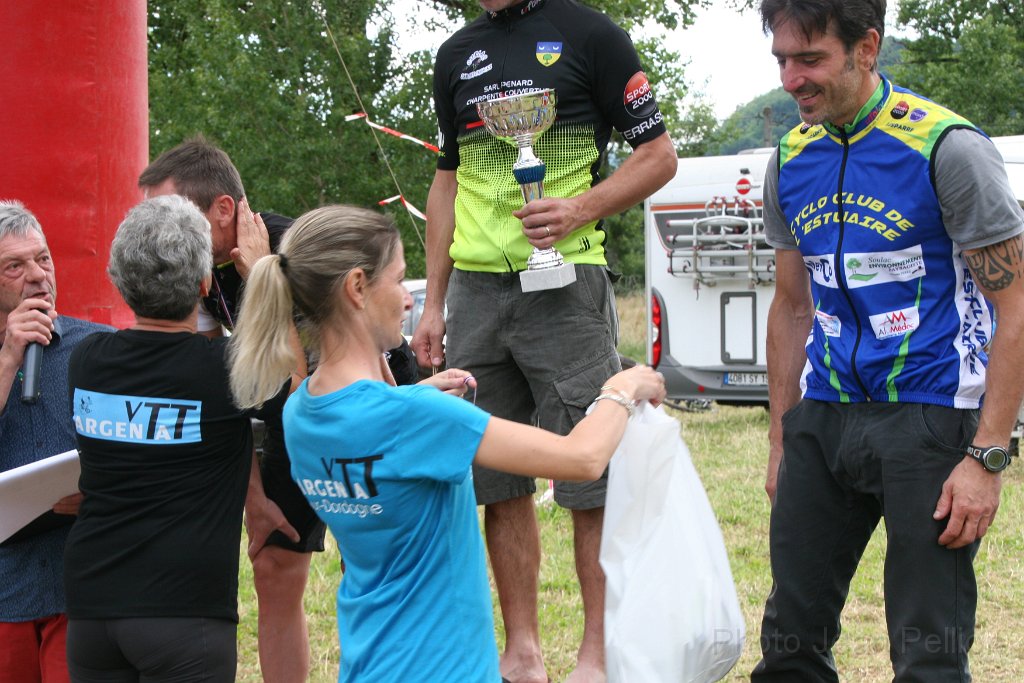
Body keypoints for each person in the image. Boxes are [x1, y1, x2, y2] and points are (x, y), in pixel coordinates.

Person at [227, 204, 666, 683]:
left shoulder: (300, 414)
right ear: (356, 287)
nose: (407, 298)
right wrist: (623, 386)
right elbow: (583, 458)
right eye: (398, 280)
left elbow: (370, 425)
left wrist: (417, 395)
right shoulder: (418, 418)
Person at [753, 1, 1024, 681]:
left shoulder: (947, 148)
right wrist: (782, 438)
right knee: (788, 643)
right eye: (782, 60)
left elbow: (1017, 306)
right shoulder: (791, 158)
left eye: (810, 58)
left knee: (928, 651)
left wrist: (988, 456)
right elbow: (791, 307)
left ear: (867, 48)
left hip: (928, 414)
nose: (791, 79)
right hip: (825, 414)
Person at [413, 2, 678, 680]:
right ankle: (523, 651)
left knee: (590, 475)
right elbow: (447, 179)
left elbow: (659, 156)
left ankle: (596, 654)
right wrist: (434, 301)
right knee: (497, 477)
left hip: (567, 282)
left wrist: (579, 209)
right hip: (475, 291)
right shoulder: (455, 54)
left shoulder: (591, 34)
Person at [138, 137, 416, 682]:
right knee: (272, 566)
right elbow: (214, 377)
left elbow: (331, 364)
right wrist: (255, 497)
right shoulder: (193, 264)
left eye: (172, 212)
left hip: (368, 404)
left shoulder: (299, 248)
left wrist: (260, 274)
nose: (161, 229)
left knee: (377, 569)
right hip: (294, 418)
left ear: (223, 209)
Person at [63, 195, 294, 682]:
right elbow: (294, 387)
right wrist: (261, 275)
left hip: (91, 611)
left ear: (118, 280)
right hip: (185, 614)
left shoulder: (87, 360)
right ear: (205, 282)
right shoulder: (222, 371)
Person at [0, 200, 110, 683]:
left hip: (82, 589)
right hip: (6, 591)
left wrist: (104, 488)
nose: (37, 275)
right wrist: (9, 356)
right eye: (15, 266)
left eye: (43, 258)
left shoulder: (99, 347)